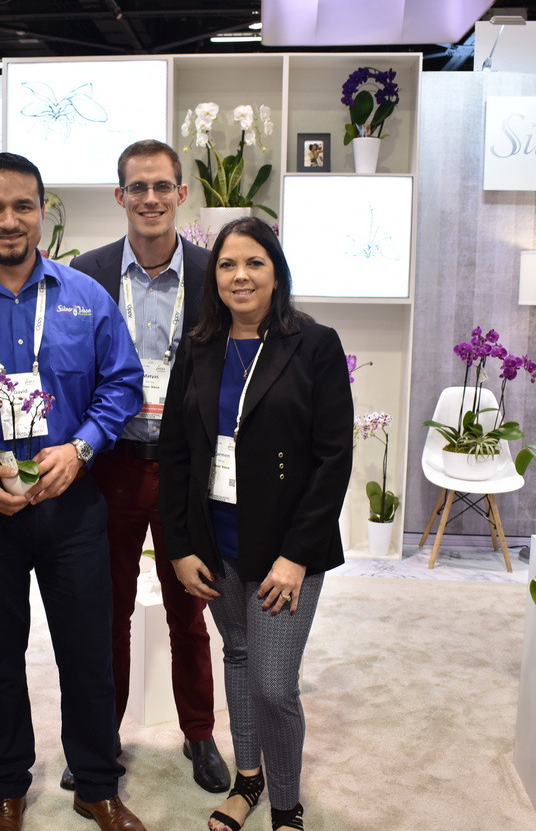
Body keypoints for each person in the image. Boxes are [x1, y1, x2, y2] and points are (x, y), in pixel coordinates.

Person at [0, 152, 148, 831]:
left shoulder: (86, 297)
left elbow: (122, 382)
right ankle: (5, 788)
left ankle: (97, 785)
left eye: (22, 206)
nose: (8, 220)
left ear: (42, 211)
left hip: (70, 506)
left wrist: (82, 447)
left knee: (88, 651)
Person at [158, 217, 352, 831]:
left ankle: (287, 804)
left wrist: (297, 557)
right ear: (213, 277)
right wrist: (180, 547)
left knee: (273, 684)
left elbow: (334, 458)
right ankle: (249, 781)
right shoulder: (199, 347)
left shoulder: (314, 344)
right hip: (215, 541)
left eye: (254, 263)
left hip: (285, 549)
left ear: (276, 273)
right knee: (238, 657)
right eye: (226, 265)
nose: (239, 276)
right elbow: (176, 454)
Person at [69, 139, 230, 794]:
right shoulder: (88, 273)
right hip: (112, 465)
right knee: (104, 611)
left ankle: (199, 733)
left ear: (181, 194)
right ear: (120, 196)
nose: (151, 198)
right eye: (138, 187)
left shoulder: (213, 272)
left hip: (185, 469)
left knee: (188, 609)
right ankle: (99, 739)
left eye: (163, 186)